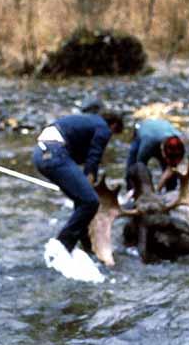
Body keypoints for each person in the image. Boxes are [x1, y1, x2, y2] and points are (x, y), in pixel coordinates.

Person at [33, 111, 124, 260]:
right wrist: (90, 181)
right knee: (90, 201)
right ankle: (62, 247)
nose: (109, 136)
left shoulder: (87, 121)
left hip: (40, 155)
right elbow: (94, 157)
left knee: (82, 201)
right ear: (113, 125)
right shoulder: (103, 127)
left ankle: (87, 248)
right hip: (54, 153)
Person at [125, 118, 185, 193]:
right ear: (162, 150)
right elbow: (140, 167)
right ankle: (132, 193)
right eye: (166, 158)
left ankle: (171, 192)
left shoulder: (178, 142)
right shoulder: (148, 144)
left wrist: (158, 190)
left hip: (161, 131)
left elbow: (172, 167)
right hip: (142, 131)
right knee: (133, 168)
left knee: (172, 175)